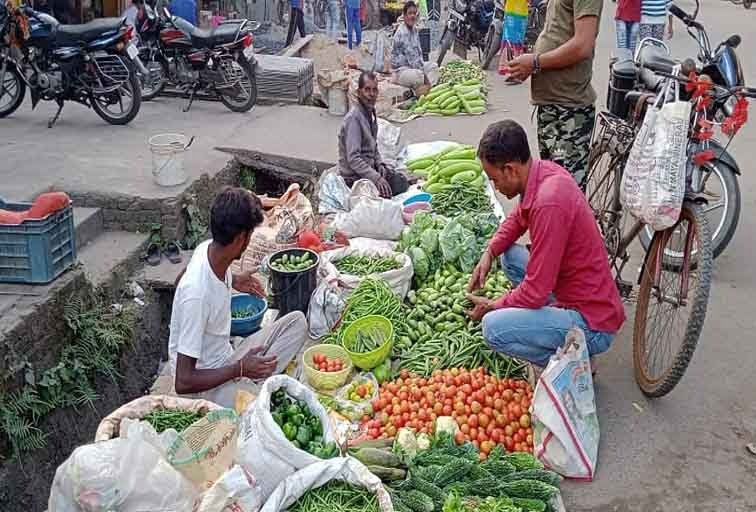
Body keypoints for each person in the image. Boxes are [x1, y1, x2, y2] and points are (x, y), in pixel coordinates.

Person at [466, 120, 625, 369]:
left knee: (493, 328)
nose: (495, 188)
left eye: (494, 180)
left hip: (593, 322)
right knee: (508, 256)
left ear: (510, 170)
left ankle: (576, 364)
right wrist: (490, 252)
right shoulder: (543, 172)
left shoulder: (549, 204)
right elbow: (518, 218)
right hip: (574, 292)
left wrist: (494, 306)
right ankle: (555, 325)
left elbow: (535, 291)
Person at [169, 187, 308, 408]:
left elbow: (180, 281)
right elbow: (183, 382)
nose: (250, 240)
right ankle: (250, 385)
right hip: (204, 387)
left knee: (297, 322)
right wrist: (240, 369)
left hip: (228, 358)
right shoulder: (195, 294)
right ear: (241, 238)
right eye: (250, 235)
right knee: (260, 409)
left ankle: (252, 381)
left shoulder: (207, 249)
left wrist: (233, 279)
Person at [504, 0, 603, 189]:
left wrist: (535, 62)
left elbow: (583, 44)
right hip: (551, 104)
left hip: (569, 110)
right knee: (550, 187)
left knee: (566, 192)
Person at [338, 72, 409, 198]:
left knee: (401, 181)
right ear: (359, 92)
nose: (371, 94)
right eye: (367, 90)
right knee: (393, 189)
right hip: (354, 176)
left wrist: (379, 163)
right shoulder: (354, 119)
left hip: (368, 168)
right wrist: (376, 178)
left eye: (374, 90)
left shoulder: (369, 113)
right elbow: (353, 158)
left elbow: (373, 145)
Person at [390, 2, 438, 92]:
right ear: (404, 16)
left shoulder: (414, 30)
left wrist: (424, 69)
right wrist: (426, 78)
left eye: (414, 13)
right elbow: (413, 61)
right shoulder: (403, 32)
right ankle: (426, 90)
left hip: (414, 67)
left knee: (434, 66)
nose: (412, 16)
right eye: (409, 13)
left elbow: (418, 56)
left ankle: (425, 89)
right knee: (419, 75)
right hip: (401, 71)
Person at [498, 0, 529, 82]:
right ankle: (515, 72)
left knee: (511, 41)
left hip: (513, 13)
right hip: (520, 13)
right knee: (516, 42)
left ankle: (514, 72)